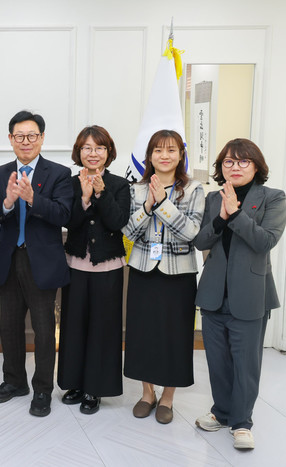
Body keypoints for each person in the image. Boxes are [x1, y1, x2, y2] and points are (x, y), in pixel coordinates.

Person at [193, 139, 286, 450]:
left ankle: (242, 422)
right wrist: (221, 218)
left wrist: (235, 214)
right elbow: (201, 242)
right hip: (213, 293)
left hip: (250, 294)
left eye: (243, 161)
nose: (235, 167)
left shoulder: (273, 197)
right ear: (221, 168)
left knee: (246, 364)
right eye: (228, 162)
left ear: (256, 166)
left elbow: (265, 241)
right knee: (217, 362)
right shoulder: (212, 198)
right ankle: (221, 412)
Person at [0, 110, 73, 417]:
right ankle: (14, 382)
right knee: (8, 327)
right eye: (19, 136)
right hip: (8, 259)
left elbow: (64, 215)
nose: (26, 141)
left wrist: (33, 198)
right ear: (10, 139)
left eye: (32, 136)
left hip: (42, 262)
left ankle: (42, 389)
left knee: (44, 330)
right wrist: (8, 202)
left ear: (42, 138)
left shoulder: (59, 173)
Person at [123, 129, 204, 424]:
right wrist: (148, 206)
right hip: (143, 269)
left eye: (171, 150)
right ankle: (147, 394)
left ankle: (168, 397)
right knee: (142, 333)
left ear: (181, 155)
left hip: (178, 274)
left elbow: (191, 232)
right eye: (158, 150)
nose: (164, 155)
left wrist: (163, 204)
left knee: (175, 335)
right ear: (150, 156)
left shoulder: (193, 189)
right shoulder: (136, 190)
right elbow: (128, 231)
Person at [58, 125, 130, 415]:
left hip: (108, 266)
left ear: (108, 152)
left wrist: (101, 194)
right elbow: (68, 221)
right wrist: (84, 198)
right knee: (74, 326)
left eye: (99, 148)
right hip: (75, 265)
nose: (93, 153)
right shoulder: (68, 183)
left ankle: (95, 388)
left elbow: (117, 222)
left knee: (103, 329)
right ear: (79, 152)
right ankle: (75, 383)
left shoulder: (119, 185)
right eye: (87, 148)